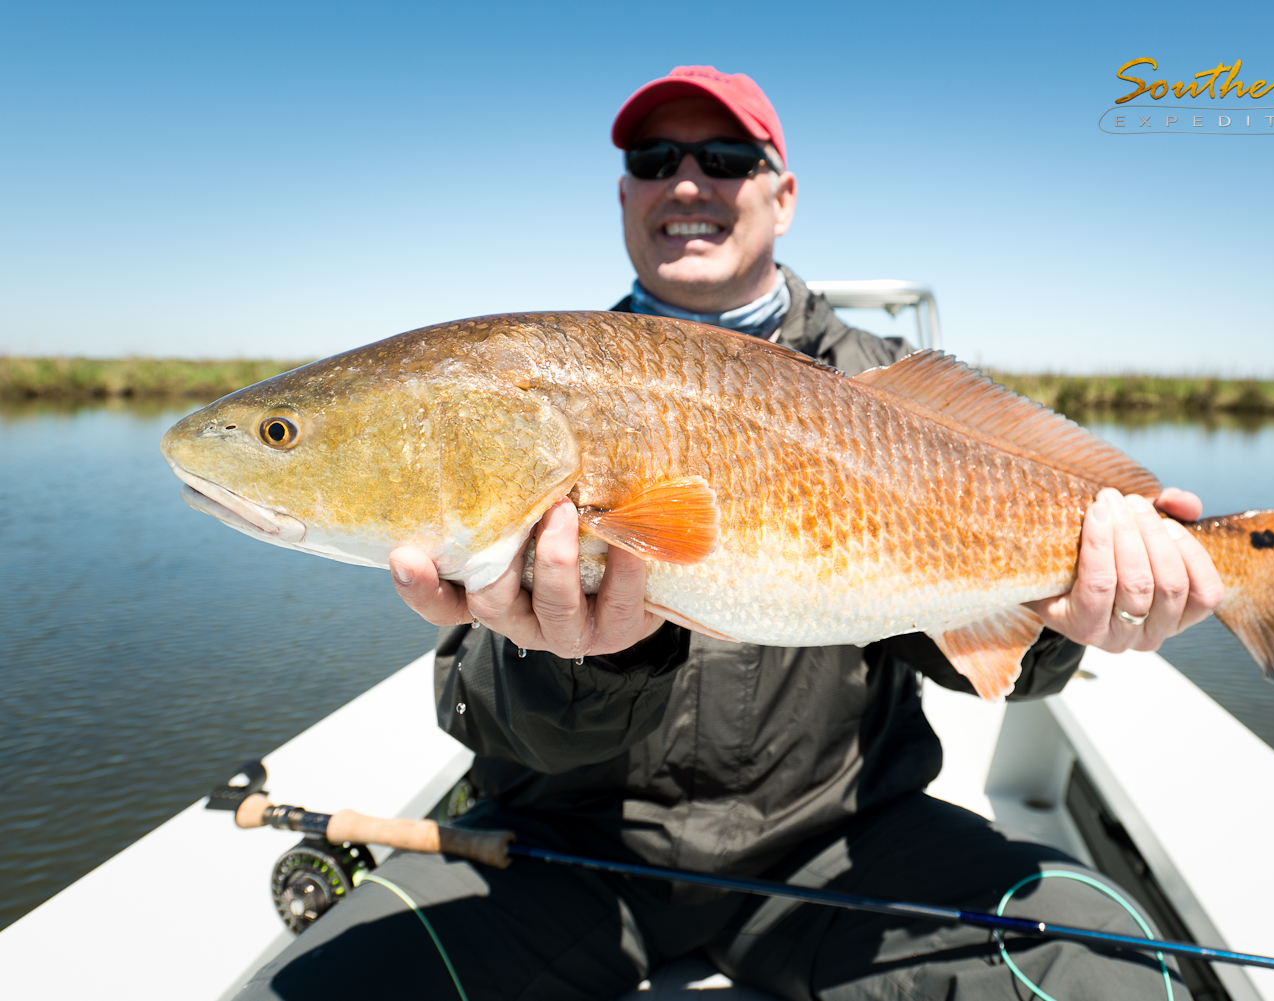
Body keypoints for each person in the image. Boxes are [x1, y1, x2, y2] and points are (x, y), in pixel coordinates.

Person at [243, 66, 1223, 1000]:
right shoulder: (530, 377)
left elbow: (980, 651)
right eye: (652, 160)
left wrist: (1083, 607)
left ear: (782, 193)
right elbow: (480, 714)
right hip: (565, 845)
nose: (686, 182)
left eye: (725, 157)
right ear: (623, 196)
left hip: (841, 843)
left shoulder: (886, 375)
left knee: (1115, 967)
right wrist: (571, 656)